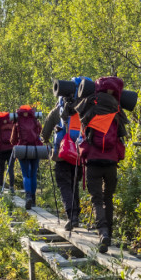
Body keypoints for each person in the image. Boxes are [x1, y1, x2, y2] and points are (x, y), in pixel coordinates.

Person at [76, 76, 128, 253]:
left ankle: (103, 233)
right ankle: (110, 235)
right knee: (108, 198)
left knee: (97, 199)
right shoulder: (117, 109)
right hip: (111, 161)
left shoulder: (90, 106)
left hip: (93, 161)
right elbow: (122, 134)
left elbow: (82, 126)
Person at [42, 78, 90, 231]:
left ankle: (71, 216)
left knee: (64, 185)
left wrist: (46, 139)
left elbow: (45, 131)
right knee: (74, 183)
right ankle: (76, 214)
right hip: (80, 152)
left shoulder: (60, 108)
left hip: (62, 153)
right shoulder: (86, 106)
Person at [10, 104, 42, 209]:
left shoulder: (17, 122)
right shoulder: (36, 121)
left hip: (23, 149)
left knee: (25, 175)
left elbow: (13, 140)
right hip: (36, 149)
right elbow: (39, 132)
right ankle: (33, 199)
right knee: (33, 174)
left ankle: (27, 196)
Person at [0, 110, 16, 193]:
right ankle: (11, 187)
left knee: (1, 169)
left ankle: (0, 186)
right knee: (11, 169)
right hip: (11, 149)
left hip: (1, 150)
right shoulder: (11, 124)